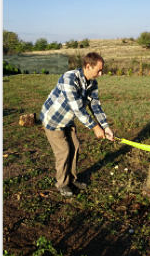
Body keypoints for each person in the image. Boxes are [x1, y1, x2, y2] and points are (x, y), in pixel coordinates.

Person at [39, 52, 114, 197]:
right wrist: (95, 127)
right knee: (63, 151)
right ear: (88, 66)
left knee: (75, 147)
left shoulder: (92, 83)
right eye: (98, 70)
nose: (101, 73)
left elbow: (95, 105)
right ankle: (62, 183)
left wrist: (105, 126)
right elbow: (78, 108)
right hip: (53, 120)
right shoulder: (69, 78)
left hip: (67, 119)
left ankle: (72, 179)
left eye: (101, 70)